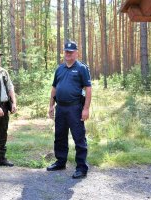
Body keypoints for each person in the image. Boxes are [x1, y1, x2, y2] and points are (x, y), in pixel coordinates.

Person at [47, 41, 92, 179]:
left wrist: (86, 109)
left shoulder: (81, 68)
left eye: (71, 52)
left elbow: (88, 89)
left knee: (79, 137)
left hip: (75, 108)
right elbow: (54, 88)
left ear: (76, 53)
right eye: (66, 51)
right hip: (60, 108)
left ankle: (81, 168)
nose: (68, 53)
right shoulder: (59, 69)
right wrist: (51, 106)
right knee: (59, 136)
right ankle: (60, 162)